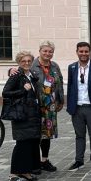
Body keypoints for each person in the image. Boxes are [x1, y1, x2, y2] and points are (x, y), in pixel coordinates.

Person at [3, 51, 41, 181]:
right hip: (21, 115)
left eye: (29, 61)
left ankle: (25, 171)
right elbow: (5, 93)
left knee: (30, 144)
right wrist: (23, 91)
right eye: (23, 61)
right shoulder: (16, 76)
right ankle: (13, 175)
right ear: (19, 62)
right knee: (21, 145)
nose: (27, 63)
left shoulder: (31, 75)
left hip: (32, 115)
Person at [65, 41, 91, 171]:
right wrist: (70, 106)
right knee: (79, 135)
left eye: (86, 51)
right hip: (77, 107)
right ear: (77, 52)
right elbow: (70, 87)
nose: (83, 54)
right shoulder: (72, 67)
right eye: (81, 51)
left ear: (89, 52)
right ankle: (79, 161)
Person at [30, 40, 64, 172]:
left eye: (50, 51)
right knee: (35, 135)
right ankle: (34, 162)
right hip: (36, 106)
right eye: (45, 51)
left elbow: (60, 83)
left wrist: (61, 100)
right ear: (39, 51)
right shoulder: (32, 66)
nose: (47, 53)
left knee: (47, 134)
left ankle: (44, 160)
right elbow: (20, 74)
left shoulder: (54, 66)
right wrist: (11, 70)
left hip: (50, 106)